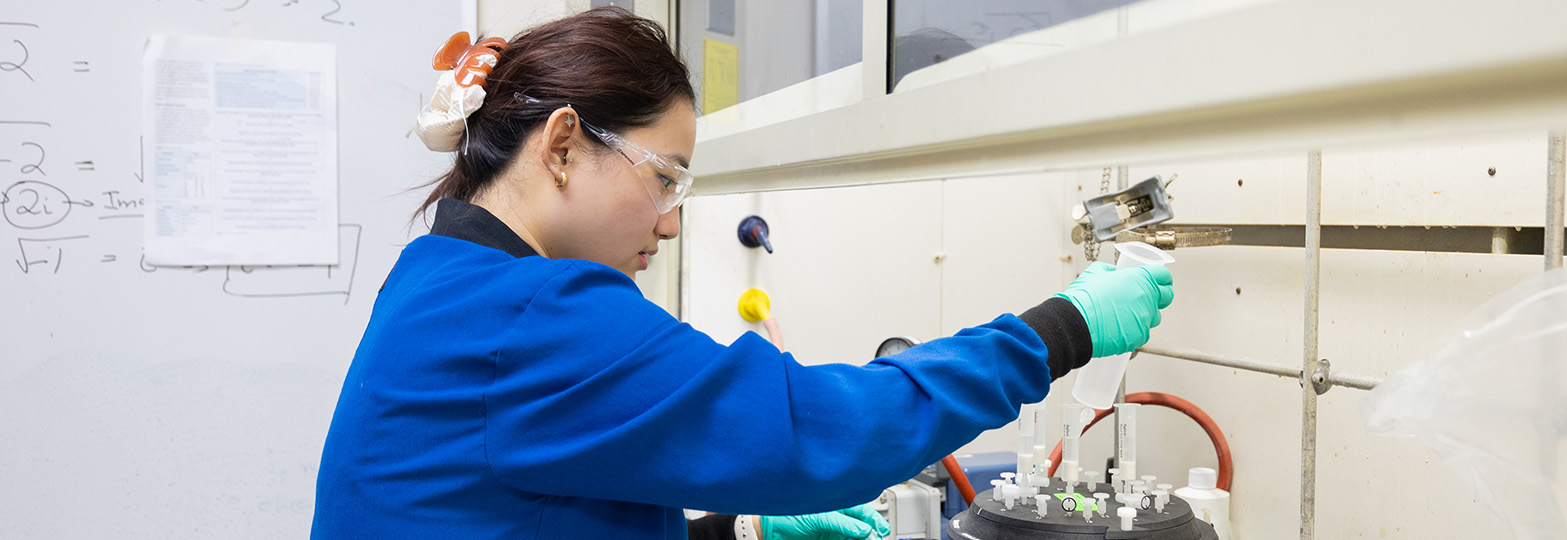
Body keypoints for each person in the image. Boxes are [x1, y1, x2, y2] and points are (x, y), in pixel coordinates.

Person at [311, 8, 1173, 540]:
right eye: (665, 177)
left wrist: (734, 533)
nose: (673, 220)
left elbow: (519, 504)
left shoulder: (443, 274)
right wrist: (1061, 329)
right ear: (564, 143)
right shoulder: (535, 317)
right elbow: (818, 432)